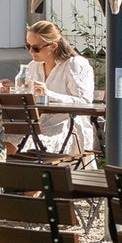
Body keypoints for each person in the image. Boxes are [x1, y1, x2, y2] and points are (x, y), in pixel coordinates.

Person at [9, 20, 94, 160]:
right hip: (35, 125)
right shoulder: (33, 66)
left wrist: (49, 93)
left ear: (53, 45)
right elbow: (28, 96)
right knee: (5, 139)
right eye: (27, 46)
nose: (31, 52)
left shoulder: (75, 65)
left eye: (36, 48)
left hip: (66, 127)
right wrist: (13, 89)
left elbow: (85, 102)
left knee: (13, 145)